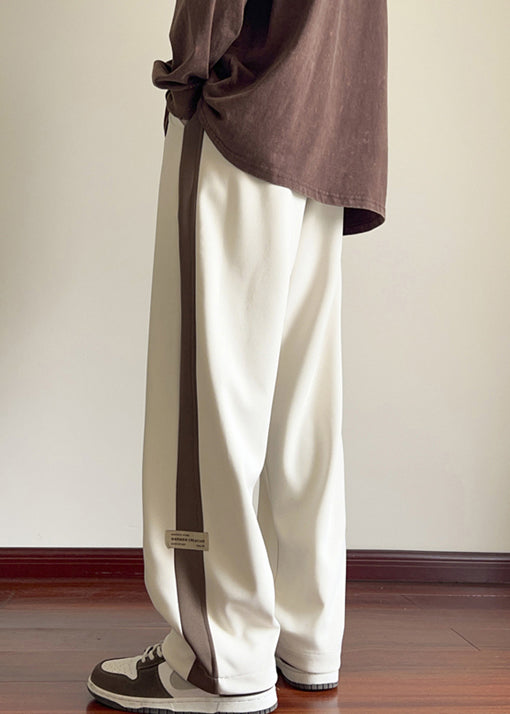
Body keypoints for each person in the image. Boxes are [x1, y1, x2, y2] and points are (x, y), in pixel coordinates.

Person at [87, 1, 388, 712]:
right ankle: (307, 635)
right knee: (300, 405)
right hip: (328, 123)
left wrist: (191, 69)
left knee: (210, 397)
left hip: (244, 111)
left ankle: (216, 658)